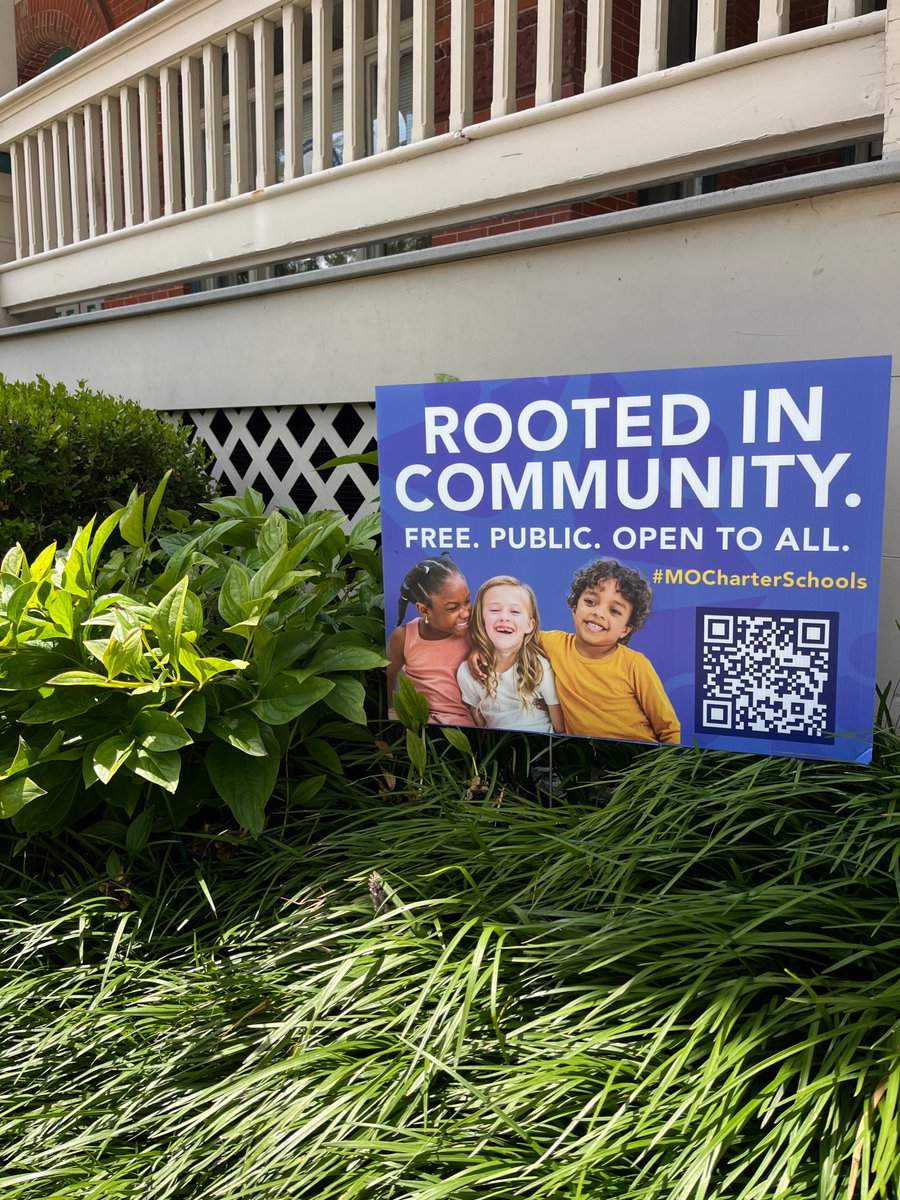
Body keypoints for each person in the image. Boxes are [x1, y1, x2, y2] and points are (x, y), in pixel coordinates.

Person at [540, 559, 680, 744]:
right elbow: (515, 636)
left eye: (614, 611)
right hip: (585, 756)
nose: (599, 613)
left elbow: (668, 728)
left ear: (625, 630)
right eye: (590, 601)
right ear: (574, 609)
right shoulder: (553, 643)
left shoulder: (635, 664)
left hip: (638, 756)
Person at [457, 576, 564, 734]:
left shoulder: (539, 667)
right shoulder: (467, 672)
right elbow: (479, 725)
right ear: (481, 620)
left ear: (529, 625)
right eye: (494, 610)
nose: (504, 617)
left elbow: (559, 729)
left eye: (515, 611)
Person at [386, 554, 473, 725]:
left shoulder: (474, 632)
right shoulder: (403, 637)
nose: (465, 613)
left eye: (467, 601)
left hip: (467, 727)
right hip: (422, 725)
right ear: (424, 610)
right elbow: (389, 681)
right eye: (453, 608)